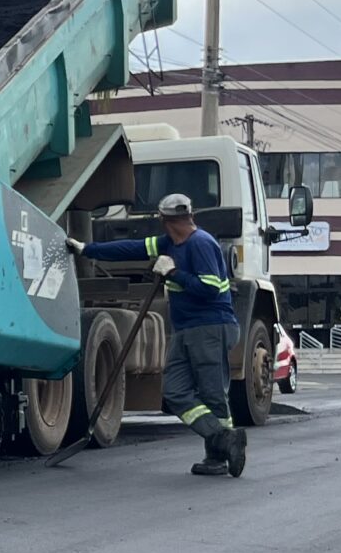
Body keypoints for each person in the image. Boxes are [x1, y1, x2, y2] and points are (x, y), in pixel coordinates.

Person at [77, 193, 246, 477]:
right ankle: (224, 439)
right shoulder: (168, 243)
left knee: (213, 395)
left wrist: (174, 272)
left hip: (210, 327)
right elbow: (130, 248)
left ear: (163, 218)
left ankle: (217, 457)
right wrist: (86, 249)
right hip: (186, 330)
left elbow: (211, 288)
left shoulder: (200, 243)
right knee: (174, 392)